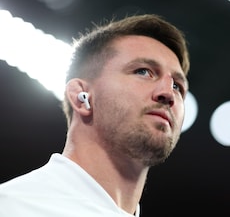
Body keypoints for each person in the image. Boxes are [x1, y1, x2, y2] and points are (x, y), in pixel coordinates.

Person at [0, 14, 190, 217]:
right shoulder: (12, 206)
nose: (168, 94)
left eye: (177, 86)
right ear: (81, 98)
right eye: (143, 71)